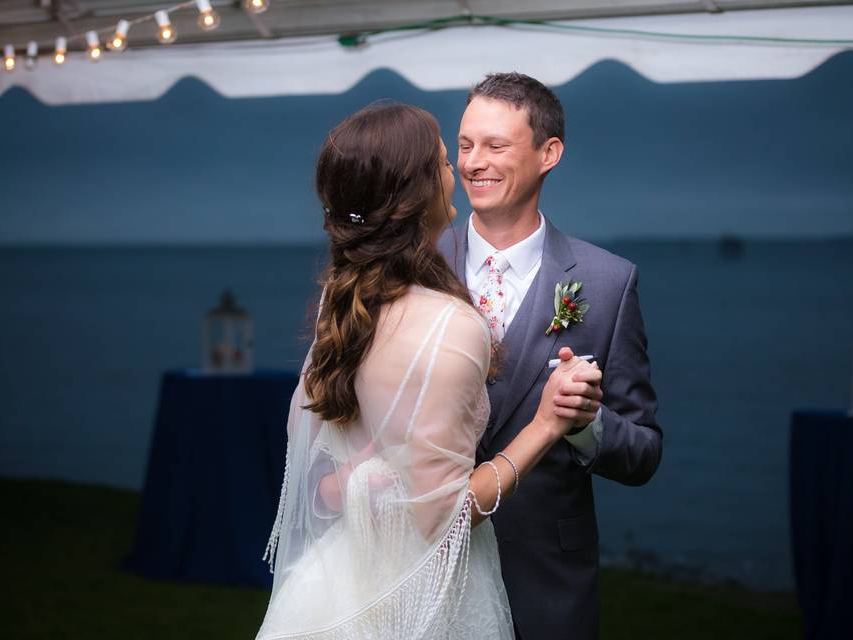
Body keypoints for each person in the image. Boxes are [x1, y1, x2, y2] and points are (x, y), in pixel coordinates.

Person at [255, 102, 599, 640]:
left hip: (333, 587)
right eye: (445, 161)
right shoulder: (452, 325)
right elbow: (445, 522)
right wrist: (547, 425)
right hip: (421, 601)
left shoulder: (341, 304)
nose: (457, 172)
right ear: (417, 193)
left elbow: (319, 478)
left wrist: (365, 478)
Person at [439, 72, 664, 640]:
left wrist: (584, 424)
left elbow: (643, 453)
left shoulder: (607, 282)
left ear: (549, 153)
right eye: (465, 145)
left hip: (544, 580)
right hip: (425, 562)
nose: (473, 162)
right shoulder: (412, 266)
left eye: (495, 145)